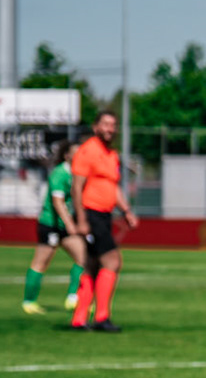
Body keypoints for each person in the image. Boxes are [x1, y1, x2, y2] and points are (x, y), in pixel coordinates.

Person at [70, 110, 138, 332]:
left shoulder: (111, 154)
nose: (110, 129)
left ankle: (80, 319)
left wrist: (126, 210)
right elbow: (76, 187)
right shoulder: (88, 150)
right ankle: (101, 317)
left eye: (113, 125)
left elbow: (112, 186)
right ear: (95, 126)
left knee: (92, 266)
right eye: (106, 124)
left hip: (105, 214)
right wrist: (81, 220)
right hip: (91, 213)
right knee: (113, 261)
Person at [22, 140, 86, 315]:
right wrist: (70, 224)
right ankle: (29, 302)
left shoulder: (78, 174)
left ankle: (73, 298)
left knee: (84, 258)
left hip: (64, 226)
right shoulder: (60, 173)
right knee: (41, 263)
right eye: (77, 152)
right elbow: (58, 202)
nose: (81, 156)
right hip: (50, 225)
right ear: (67, 155)